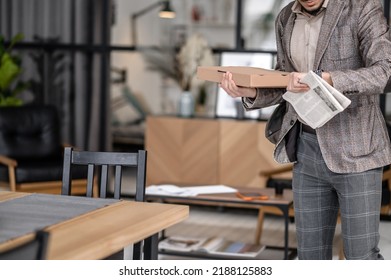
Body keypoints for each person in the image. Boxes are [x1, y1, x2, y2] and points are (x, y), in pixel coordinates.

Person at [220, 0, 391, 260]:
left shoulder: (363, 8)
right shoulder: (286, 17)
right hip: (306, 148)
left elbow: (384, 72)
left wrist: (327, 78)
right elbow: (286, 81)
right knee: (310, 257)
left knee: (362, 257)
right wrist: (252, 91)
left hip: (358, 153)